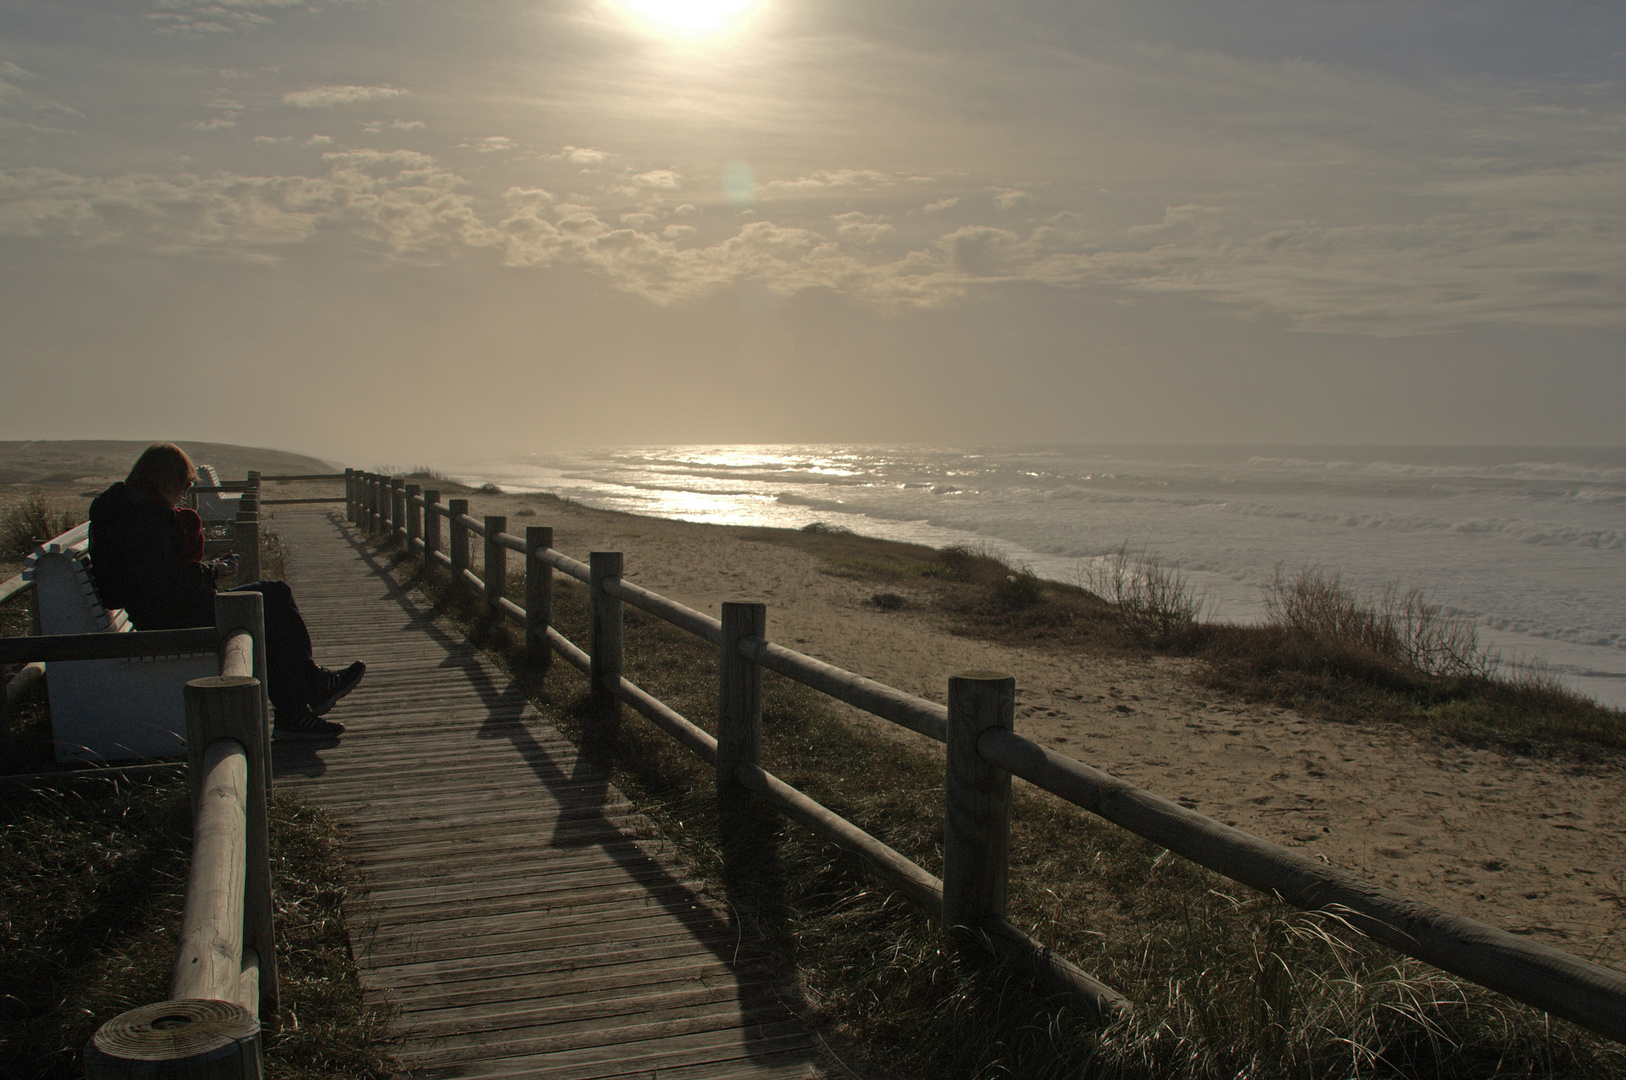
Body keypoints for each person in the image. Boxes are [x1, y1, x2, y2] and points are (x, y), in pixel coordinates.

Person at [87, 443, 364, 740]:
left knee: (270, 599)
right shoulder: (140, 518)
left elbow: (156, 577)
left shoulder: (127, 510)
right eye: (184, 483)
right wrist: (214, 571)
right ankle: (301, 701)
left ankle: (300, 704)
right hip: (170, 620)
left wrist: (206, 569)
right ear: (166, 479)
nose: (184, 492)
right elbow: (164, 583)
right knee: (271, 599)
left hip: (164, 612)